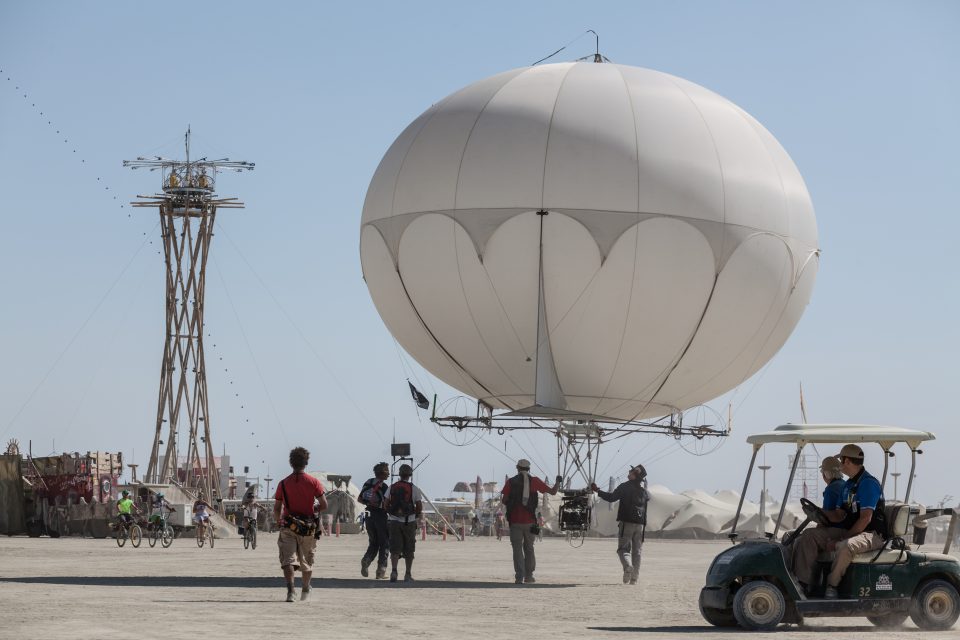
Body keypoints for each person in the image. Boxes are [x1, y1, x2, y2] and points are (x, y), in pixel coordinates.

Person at [792, 445, 887, 598]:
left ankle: (832, 586)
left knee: (845, 546)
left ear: (848, 461)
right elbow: (838, 515)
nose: (840, 465)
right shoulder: (848, 486)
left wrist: (841, 538)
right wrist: (819, 512)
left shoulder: (868, 483)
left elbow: (865, 519)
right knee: (809, 536)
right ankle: (803, 585)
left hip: (871, 534)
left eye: (841, 460)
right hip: (852, 530)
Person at [273, 446, 327, 602]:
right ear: (306, 463)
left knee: (288, 560)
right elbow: (324, 505)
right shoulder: (314, 482)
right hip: (308, 528)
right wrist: (313, 507)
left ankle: (291, 591)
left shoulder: (283, 484)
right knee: (307, 560)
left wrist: (279, 521)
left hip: (288, 526)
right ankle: (305, 588)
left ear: (291, 463)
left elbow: (277, 509)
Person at [500, 459, 561, 584]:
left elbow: (504, 500)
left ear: (517, 468)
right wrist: (558, 482)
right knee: (529, 548)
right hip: (531, 522)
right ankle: (529, 576)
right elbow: (553, 492)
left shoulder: (510, 482)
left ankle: (519, 576)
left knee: (517, 549)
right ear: (529, 469)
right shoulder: (535, 481)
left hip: (515, 522)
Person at [591, 464, 650, 585]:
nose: (629, 472)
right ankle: (634, 579)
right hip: (640, 525)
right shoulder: (644, 492)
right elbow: (646, 508)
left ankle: (628, 566)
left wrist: (597, 491)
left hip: (627, 522)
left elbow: (611, 498)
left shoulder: (625, 487)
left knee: (623, 549)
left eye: (632, 471)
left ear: (635, 475)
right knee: (637, 551)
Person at [384, 463, 423, 582]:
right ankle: (407, 574)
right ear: (410, 475)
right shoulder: (414, 488)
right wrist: (414, 515)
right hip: (409, 522)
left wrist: (392, 513)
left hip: (394, 521)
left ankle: (394, 572)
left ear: (399, 474)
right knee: (409, 549)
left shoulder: (392, 487)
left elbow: (385, 504)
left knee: (395, 548)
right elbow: (419, 506)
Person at [358, 461, 391, 580]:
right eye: (387, 471)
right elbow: (387, 505)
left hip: (368, 515)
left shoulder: (368, 482)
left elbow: (360, 499)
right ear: (382, 473)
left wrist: (370, 503)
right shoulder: (384, 486)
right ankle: (381, 570)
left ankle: (366, 559)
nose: (389, 474)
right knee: (384, 543)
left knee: (373, 541)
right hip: (380, 516)